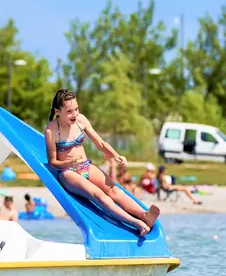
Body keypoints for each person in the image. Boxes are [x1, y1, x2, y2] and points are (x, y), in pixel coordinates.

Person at [45, 89, 159, 236]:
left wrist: (116, 155)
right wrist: (68, 163)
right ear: (57, 111)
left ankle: (144, 215)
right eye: (69, 111)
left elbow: (100, 144)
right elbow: (52, 163)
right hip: (68, 173)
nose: (75, 114)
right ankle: (134, 222)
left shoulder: (81, 121)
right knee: (98, 195)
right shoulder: (51, 131)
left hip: (85, 165)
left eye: (76, 109)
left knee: (114, 189)